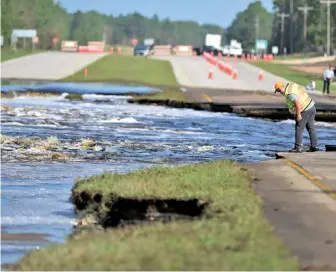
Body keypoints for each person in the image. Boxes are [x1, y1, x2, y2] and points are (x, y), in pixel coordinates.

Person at [274, 81, 319, 153]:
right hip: (311, 106)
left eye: (278, 90)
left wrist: (298, 115)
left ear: (282, 87)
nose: (279, 92)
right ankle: (314, 146)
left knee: (299, 128)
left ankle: (298, 148)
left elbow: (298, 104)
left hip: (304, 109)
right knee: (311, 128)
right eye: (277, 91)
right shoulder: (291, 86)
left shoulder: (289, 93)